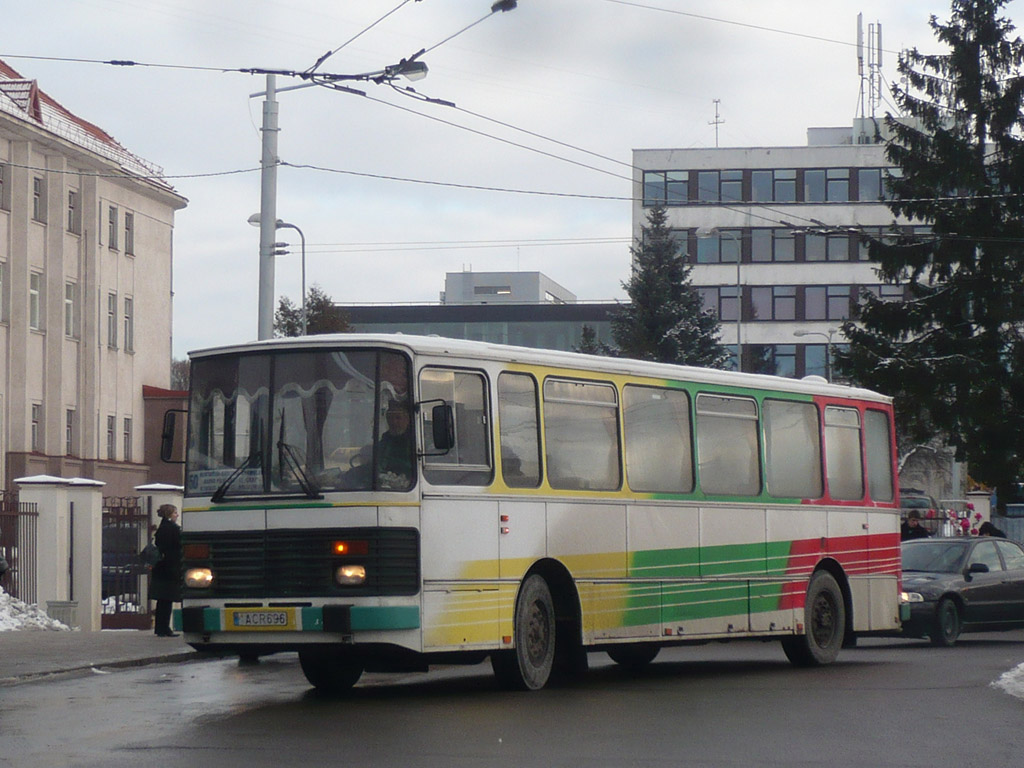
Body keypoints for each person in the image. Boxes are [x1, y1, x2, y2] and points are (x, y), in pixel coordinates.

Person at [150, 503, 182, 637]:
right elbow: (177, 546)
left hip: (161, 568)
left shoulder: (162, 528)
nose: (177, 515)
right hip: (169, 568)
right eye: (175, 513)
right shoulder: (172, 529)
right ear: (169, 514)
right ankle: (164, 628)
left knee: (162, 600)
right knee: (167, 599)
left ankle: (160, 627)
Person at [377, 400, 414, 482]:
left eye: (398, 418)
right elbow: (379, 459)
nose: (393, 422)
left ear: (407, 419)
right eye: (390, 418)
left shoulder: (413, 440)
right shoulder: (386, 438)